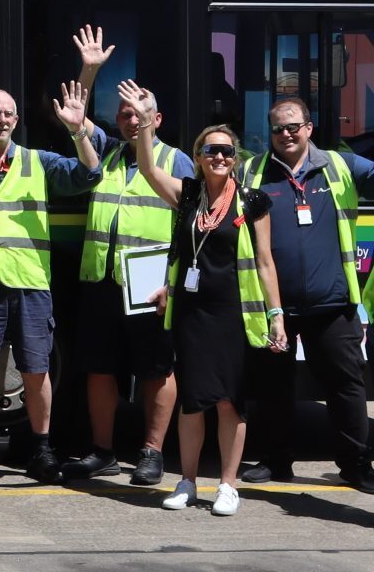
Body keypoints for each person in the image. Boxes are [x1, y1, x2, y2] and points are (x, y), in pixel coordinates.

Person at [123, 83, 287, 516]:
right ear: (198, 156)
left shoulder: (254, 202)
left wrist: (276, 317)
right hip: (192, 313)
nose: (219, 158)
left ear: (236, 159)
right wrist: (143, 122)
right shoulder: (189, 195)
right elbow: (146, 168)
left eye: (227, 152)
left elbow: (266, 263)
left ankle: (228, 485)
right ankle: (188, 481)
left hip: (233, 314)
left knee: (230, 399)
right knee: (193, 399)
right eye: (211, 150)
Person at [0, 54, 102, 484]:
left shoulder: (38, 162)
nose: (3, 120)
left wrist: (78, 129)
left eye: (9, 114)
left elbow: (89, 175)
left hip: (29, 283)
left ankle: (41, 451)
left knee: (36, 369)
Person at [62, 26, 193, 485]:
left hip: (151, 282)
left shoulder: (178, 162)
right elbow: (76, 118)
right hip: (102, 278)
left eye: (139, 114)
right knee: (99, 369)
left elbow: (195, 229)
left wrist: (176, 283)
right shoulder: (108, 155)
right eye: (123, 114)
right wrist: (89, 69)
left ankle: (152, 452)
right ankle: (103, 452)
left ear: (157, 119)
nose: (130, 121)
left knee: (157, 369)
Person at [237, 96, 374, 491]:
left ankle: (355, 464)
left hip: (332, 302)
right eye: (278, 128)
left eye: (293, 126)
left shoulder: (340, 165)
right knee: (273, 387)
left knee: (346, 385)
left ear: (309, 128)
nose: (286, 134)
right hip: (274, 304)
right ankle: (276, 461)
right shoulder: (251, 171)